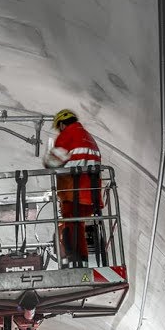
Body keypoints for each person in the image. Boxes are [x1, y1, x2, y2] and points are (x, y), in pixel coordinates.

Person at [42, 109, 103, 267]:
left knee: (71, 228)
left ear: (62, 124)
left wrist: (48, 157)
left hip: (74, 193)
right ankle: (79, 261)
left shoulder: (67, 134)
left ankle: (76, 261)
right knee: (76, 225)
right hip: (92, 196)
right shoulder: (89, 138)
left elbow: (52, 162)